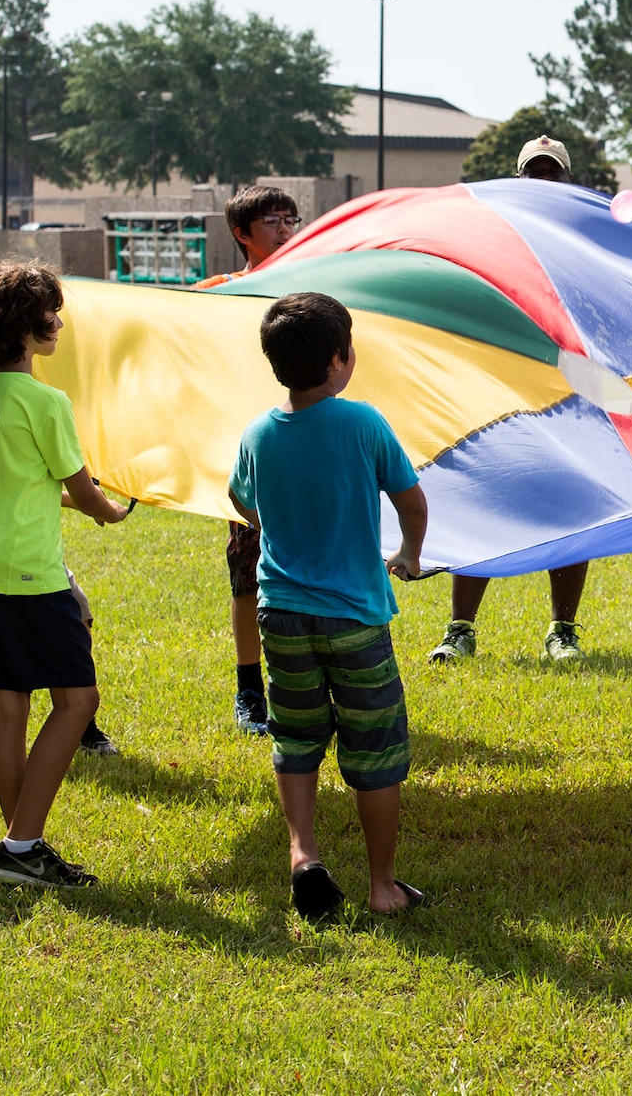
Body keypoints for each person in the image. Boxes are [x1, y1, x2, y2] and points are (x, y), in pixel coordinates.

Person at [230, 292, 428, 918]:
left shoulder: (259, 431)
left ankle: (303, 853)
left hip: (280, 616)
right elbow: (411, 501)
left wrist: (277, 520)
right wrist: (410, 554)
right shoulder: (362, 422)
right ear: (341, 359)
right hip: (355, 618)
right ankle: (382, 887)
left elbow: (242, 501)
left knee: (296, 735)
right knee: (375, 748)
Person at [0, 262, 133, 889]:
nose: (57, 322)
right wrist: (115, 508)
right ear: (20, 326)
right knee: (79, 701)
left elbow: (11, 481)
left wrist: (81, 497)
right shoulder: (47, 401)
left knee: (7, 710)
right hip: (29, 576)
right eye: (48, 313)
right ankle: (21, 846)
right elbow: (83, 492)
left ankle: (21, 846)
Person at [430, 137, 592, 664]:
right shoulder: (493, 234)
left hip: (572, 385)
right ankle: (461, 630)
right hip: (501, 384)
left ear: (567, 180)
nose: (543, 182)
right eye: (533, 174)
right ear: (517, 180)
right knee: (483, 495)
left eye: (553, 174)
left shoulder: (586, 239)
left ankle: (562, 631)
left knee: (571, 503)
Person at [0, 361, 119, 760]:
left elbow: (25, 480)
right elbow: (2, 481)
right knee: (2, 643)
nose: (60, 325)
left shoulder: (7, 386)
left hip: (18, 535)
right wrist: (97, 504)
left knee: (77, 612)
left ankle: (71, 720)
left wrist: (86, 501)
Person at [195, 185, 302, 732]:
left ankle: (315, 679)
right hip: (251, 456)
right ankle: (249, 689)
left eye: (292, 219)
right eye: (272, 221)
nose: (286, 229)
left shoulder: (312, 290)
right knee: (247, 575)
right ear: (241, 233)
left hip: (310, 446)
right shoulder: (220, 294)